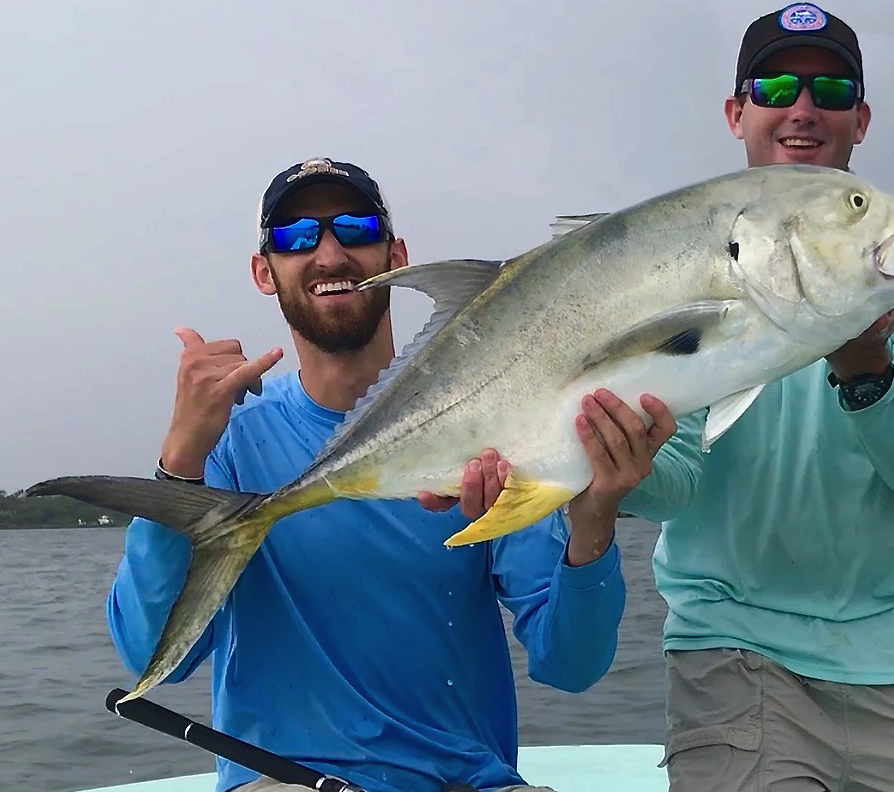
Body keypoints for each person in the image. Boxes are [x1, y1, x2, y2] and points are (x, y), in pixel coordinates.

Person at [106, 156, 678, 792]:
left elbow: (570, 664)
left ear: (394, 254)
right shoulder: (231, 442)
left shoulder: (495, 433)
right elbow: (152, 653)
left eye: (354, 228)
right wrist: (180, 460)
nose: (328, 254)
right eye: (297, 237)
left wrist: (593, 514)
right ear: (264, 272)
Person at [612, 2, 894, 791]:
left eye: (830, 88)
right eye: (776, 85)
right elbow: (678, 481)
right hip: (735, 653)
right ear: (737, 112)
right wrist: (613, 464)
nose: (803, 107)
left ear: (861, 119)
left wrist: (866, 371)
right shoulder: (675, 255)